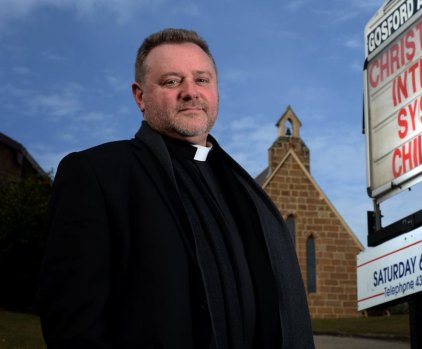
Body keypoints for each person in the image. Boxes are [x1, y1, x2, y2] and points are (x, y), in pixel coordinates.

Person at [37, 28, 315, 349]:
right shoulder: (96, 175)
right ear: (140, 97)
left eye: (202, 80)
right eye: (171, 81)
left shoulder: (244, 192)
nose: (190, 92)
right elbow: (73, 329)